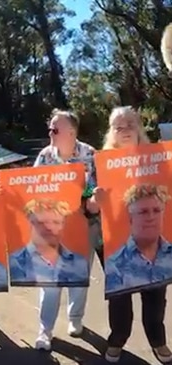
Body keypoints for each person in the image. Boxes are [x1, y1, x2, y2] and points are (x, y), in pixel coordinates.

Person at [86, 106, 172, 363]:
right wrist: (94, 201)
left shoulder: (159, 159)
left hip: (158, 242)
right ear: (111, 131)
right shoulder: (99, 163)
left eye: (129, 125)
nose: (124, 131)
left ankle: (158, 339)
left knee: (155, 295)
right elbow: (87, 205)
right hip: (112, 241)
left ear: (139, 128)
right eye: (118, 127)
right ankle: (118, 339)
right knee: (120, 299)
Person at [31, 109, 95, 351]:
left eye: (55, 129)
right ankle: (44, 331)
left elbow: (95, 187)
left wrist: (89, 199)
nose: (50, 133)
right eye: (49, 128)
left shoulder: (90, 154)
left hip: (81, 225)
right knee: (49, 282)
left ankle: (75, 319)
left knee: (79, 277)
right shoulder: (44, 156)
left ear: (72, 131)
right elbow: (32, 186)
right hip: (50, 228)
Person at [9, 199, 89, 285]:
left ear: (63, 225)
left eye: (56, 222)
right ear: (31, 224)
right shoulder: (14, 262)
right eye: (42, 223)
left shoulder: (79, 263)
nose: (49, 228)